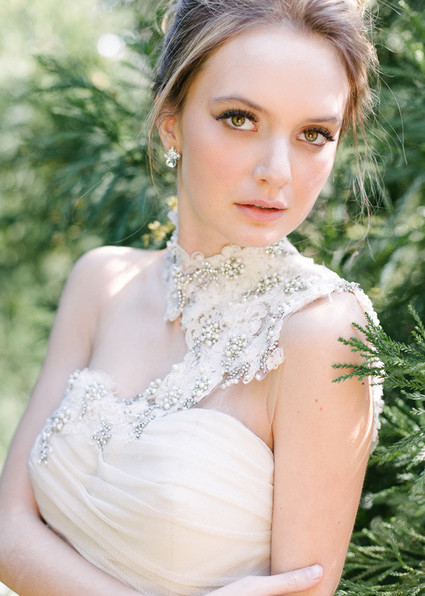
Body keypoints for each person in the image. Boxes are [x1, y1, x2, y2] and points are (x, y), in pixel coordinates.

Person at [0, 0, 384, 594]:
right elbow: (7, 530)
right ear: (171, 121)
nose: (277, 171)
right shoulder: (100, 282)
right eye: (240, 118)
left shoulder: (324, 331)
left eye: (314, 134)